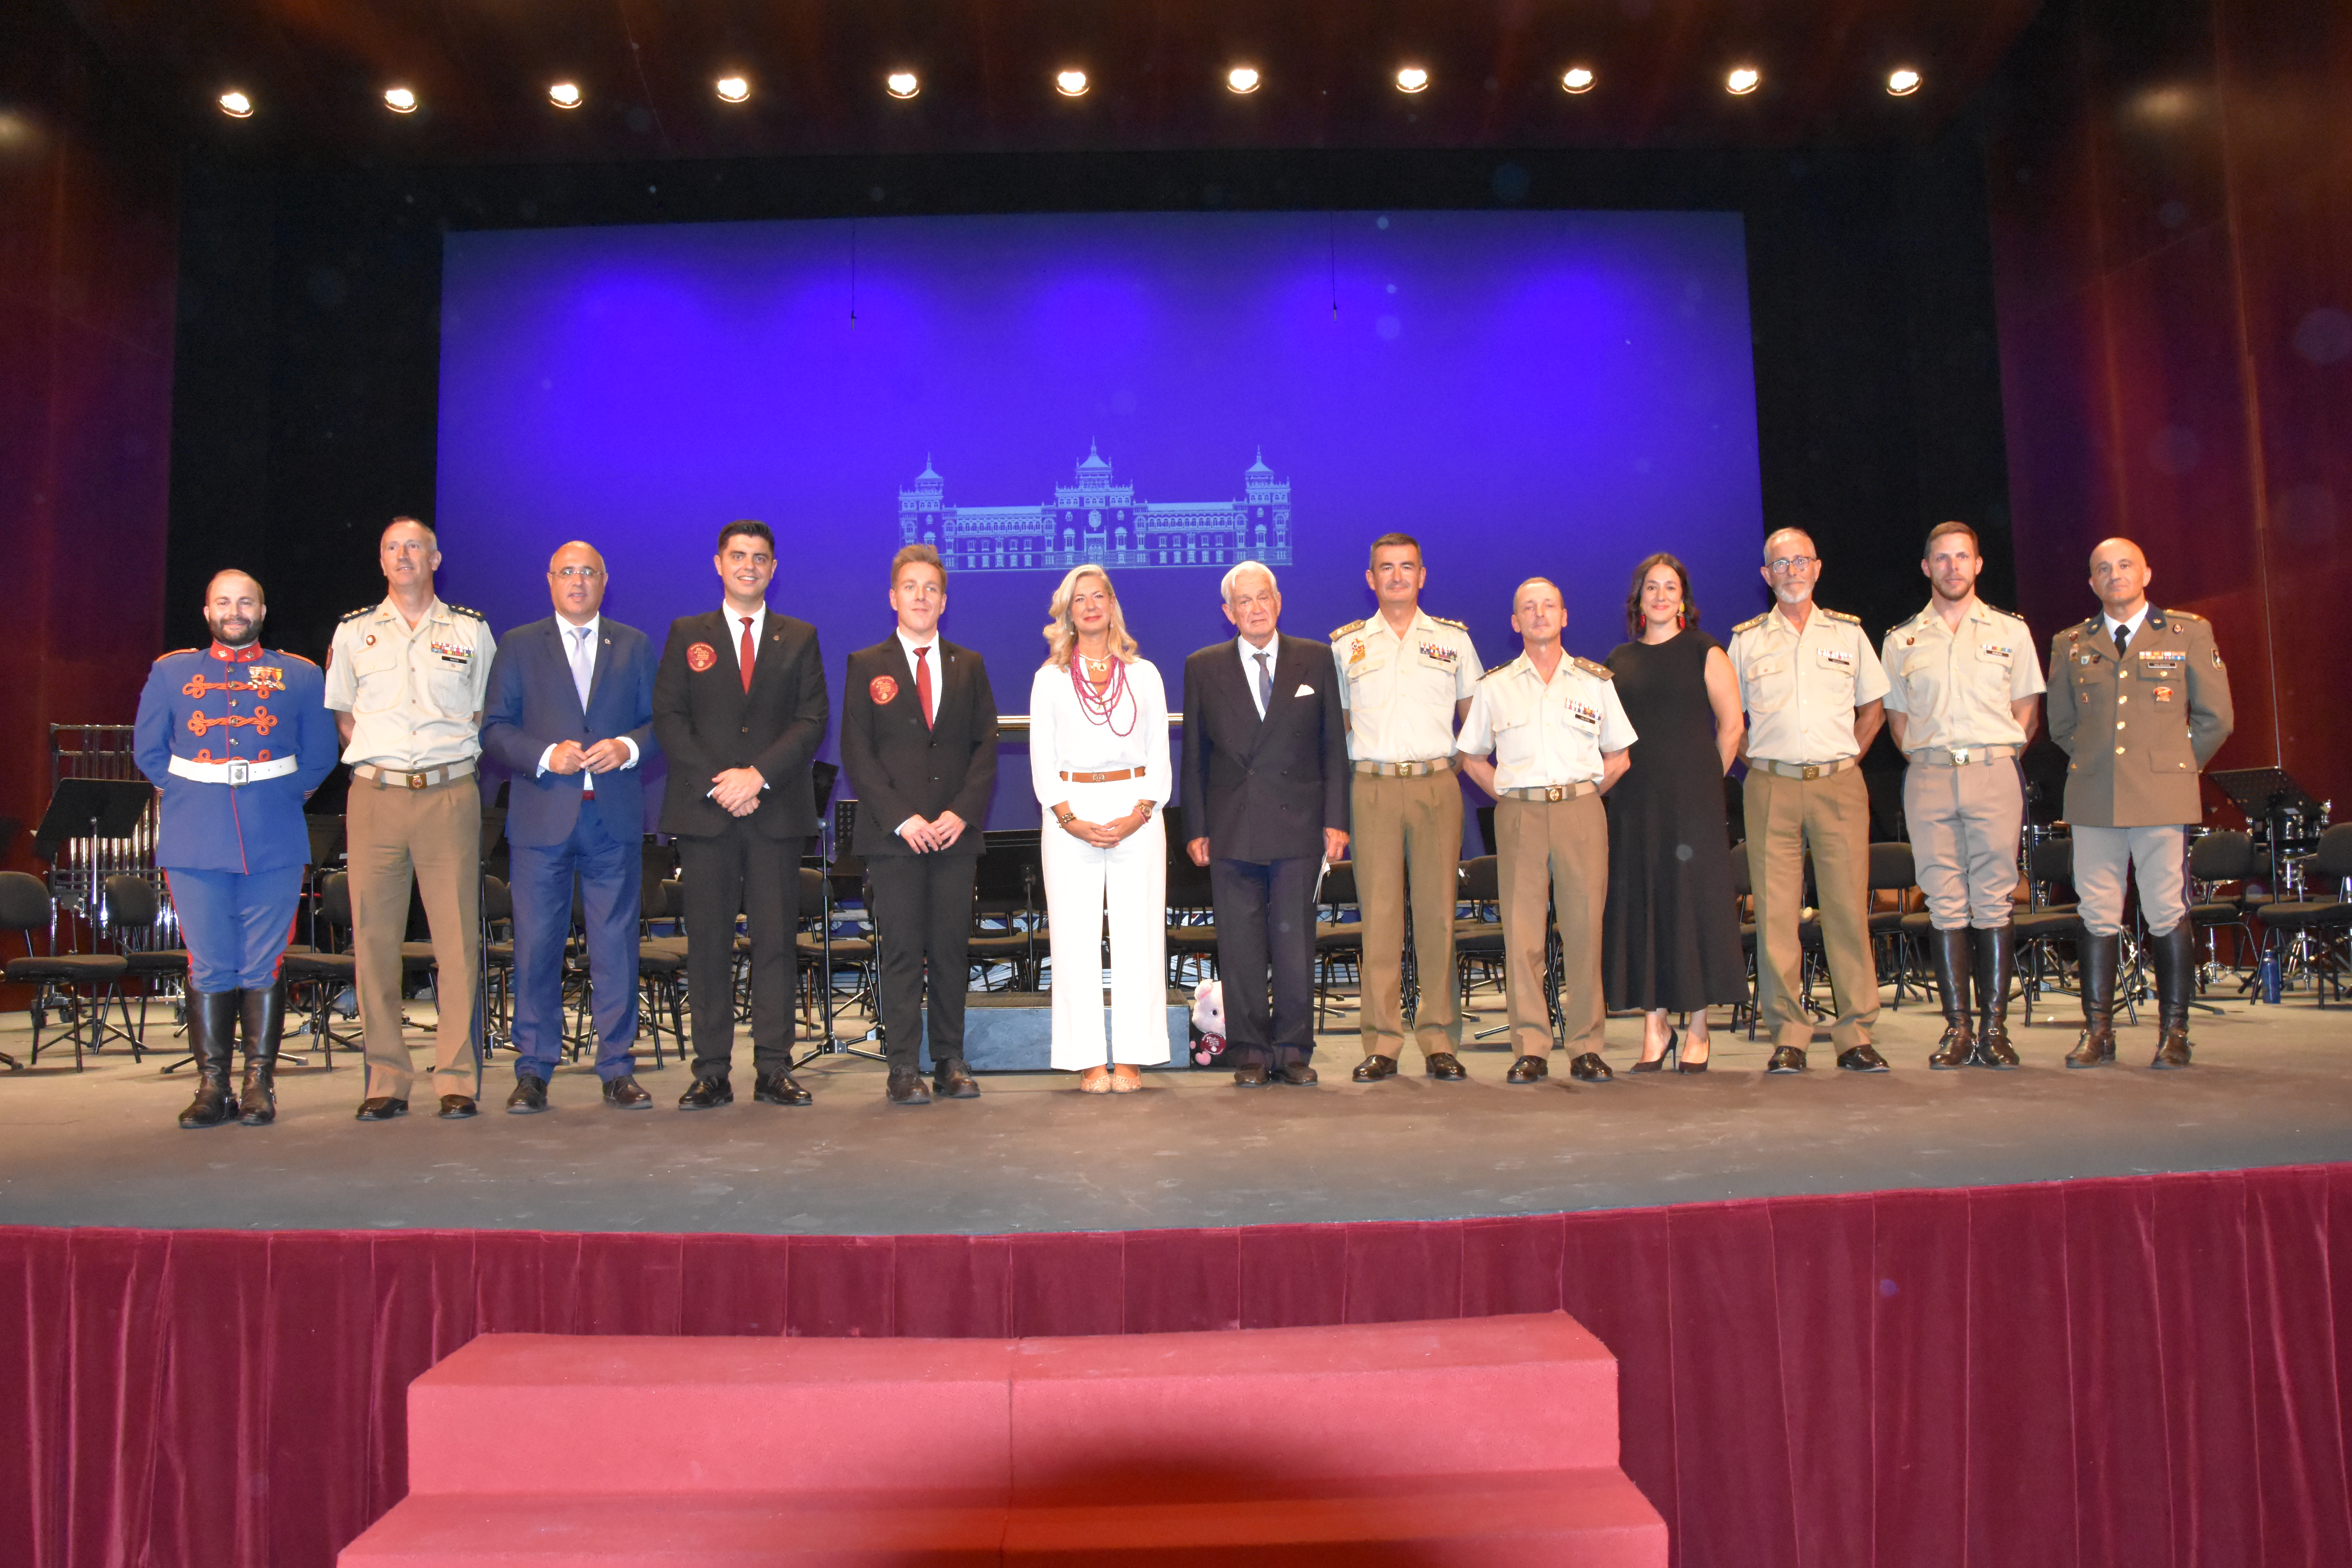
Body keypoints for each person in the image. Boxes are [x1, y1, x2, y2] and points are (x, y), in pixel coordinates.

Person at [134, 570, 341, 1128]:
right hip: (194, 834)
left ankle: (258, 1084)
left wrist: (280, 794)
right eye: (223, 602)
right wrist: (188, 792)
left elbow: (321, 754)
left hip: (273, 831)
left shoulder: (301, 675)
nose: (235, 611)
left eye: (245, 602)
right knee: (209, 961)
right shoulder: (171, 671)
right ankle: (212, 1086)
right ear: (207, 612)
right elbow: (148, 750)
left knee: (263, 961)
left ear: (262, 611)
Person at [325, 517, 498, 1121]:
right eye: (392, 548)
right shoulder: (354, 632)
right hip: (377, 795)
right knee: (374, 939)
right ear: (382, 562)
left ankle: (456, 1077)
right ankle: (386, 1078)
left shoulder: (471, 631)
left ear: (435, 559)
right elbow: (345, 717)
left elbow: (482, 712)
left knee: (458, 941)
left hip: (449, 794)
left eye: (415, 547)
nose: (404, 556)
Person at [652, 520, 829, 1109]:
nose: (748, 565)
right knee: (708, 945)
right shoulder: (687, 634)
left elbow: (812, 720)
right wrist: (722, 782)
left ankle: (774, 1067)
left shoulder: (799, 636)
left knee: (776, 942)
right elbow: (670, 718)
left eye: (759, 557)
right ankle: (711, 1071)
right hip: (707, 814)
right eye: (738, 555)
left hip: (774, 810)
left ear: (774, 569)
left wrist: (758, 776)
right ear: (718, 564)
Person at [479, 541, 660, 1113]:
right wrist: (543, 756)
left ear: (605, 580)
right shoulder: (518, 645)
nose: (577, 581)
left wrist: (628, 746)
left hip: (612, 819)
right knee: (536, 948)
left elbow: (661, 723)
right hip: (541, 820)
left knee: (616, 949)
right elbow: (494, 728)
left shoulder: (633, 644)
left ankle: (618, 1068)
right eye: (567, 572)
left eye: (588, 572)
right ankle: (533, 1070)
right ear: (550, 580)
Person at [2044, 537, 2233, 1068]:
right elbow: (2062, 725)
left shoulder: (2187, 632)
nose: (2115, 574)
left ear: (2146, 573)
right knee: (2097, 913)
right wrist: (2104, 763)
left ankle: (2175, 1032)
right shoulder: (2070, 643)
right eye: (2103, 568)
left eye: (2125, 565)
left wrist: (2174, 766)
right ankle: (2098, 1032)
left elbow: (2216, 718)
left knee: (2167, 910)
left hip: (2161, 796)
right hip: (2094, 796)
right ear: (2092, 582)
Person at [1457, 578, 1637, 1084]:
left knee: (1585, 933)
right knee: (1523, 937)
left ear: (1565, 616)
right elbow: (1471, 757)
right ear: (1515, 622)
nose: (1540, 614)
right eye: (1529, 608)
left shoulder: (1595, 682)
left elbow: (1620, 755)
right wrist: (1510, 795)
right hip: (1521, 816)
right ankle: (1531, 1047)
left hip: (1581, 811)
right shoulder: (1494, 687)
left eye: (1549, 606)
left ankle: (1586, 1047)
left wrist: (1584, 794)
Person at [839, 544, 1001, 1105]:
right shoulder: (866, 664)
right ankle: (903, 1066)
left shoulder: (969, 665)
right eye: (910, 587)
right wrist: (903, 819)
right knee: (904, 952)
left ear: (944, 601)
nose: (921, 597)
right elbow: (857, 752)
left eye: (931, 588)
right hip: (895, 839)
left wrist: (961, 813)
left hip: (955, 835)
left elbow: (985, 747)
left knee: (952, 951)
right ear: (893, 597)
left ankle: (950, 1061)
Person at [1881, 522, 2045, 1071]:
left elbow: (2027, 712)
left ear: (1978, 565)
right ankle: (1958, 1029)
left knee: (1994, 898)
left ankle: (1994, 1031)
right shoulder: (1901, 640)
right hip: (1928, 775)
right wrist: (1930, 758)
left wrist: (1994, 759)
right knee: (1944, 900)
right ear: (1926, 567)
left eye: (1962, 557)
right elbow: (1897, 721)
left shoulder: (2011, 632)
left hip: (1993, 771)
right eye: (1942, 558)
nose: (1952, 567)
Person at [1725, 527, 1890, 1074]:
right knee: (1776, 915)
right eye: (1780, 563)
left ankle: (1856, 1035)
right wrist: (1758, 762)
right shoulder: (1746, 641)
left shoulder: (1849, 634)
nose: (1792, 571)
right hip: (1771, 786)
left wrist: (1846, 760)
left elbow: (1874, 709)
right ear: (1765, 575)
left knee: (1847, 911)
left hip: (1839, 785)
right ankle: (1789, 1035)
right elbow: (1730, 719)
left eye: (1801, 561)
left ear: (1817, 568)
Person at [1181, 562, 1349, 1087]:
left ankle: (1294, 1049)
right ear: (1228, 612)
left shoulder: (1315, 659)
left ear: (1278, 603)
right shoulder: (1203, 667)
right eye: (1244, 601)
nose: (1255, 609)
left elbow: (1333, 748)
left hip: (1299, 825)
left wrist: (1337, 820)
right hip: (1232, 826)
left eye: (1263, 598)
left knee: (1295, 942)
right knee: (1240, 945)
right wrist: (1195, 827)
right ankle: (1251, 1051)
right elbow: (1194, 758)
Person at [1330, 534, 1483, 1084]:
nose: (1397, 576)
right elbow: (1337, 729)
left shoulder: (1454, 641)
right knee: (1380, 919)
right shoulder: (1346, 646)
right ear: (1370, 579)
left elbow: (1477, 720)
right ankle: (1383, 1043)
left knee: (1439, 916)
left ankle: (1439, 1040)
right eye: (1386, 568)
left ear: (1423, 576)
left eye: (1407, 567)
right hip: (1372, 788)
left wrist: (1452, 767)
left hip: (1436, 787)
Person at [1602, 553, 1747, 1073]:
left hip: (1693, 804)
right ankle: (1655, 1025)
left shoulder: (1706, 651)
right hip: (1636, 803)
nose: (1661, 595)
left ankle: (1700, 1027)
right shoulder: (1619, 660)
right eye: (1652, 587)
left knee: (1694, 905)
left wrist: (1705, 781)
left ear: (1683, 597)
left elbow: (1732, 726)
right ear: (1638, 599)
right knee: (1646, 904)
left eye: (1670, 587)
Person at [1031, 566, 1172, 1092]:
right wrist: (1070, 819)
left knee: (1140, 935)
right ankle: (1087, 1058)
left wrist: (1139, 814)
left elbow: (1160, 752)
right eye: (1080, 599)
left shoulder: (1144, 674)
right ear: (1068, 612)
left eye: (1099, 596)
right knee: (1074, 938)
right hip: (1070, 812)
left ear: (1113, 604)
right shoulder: (1049, 679)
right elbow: (1042, 758)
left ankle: (1134, 1055)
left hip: (1138, 807)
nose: (1090, 606)